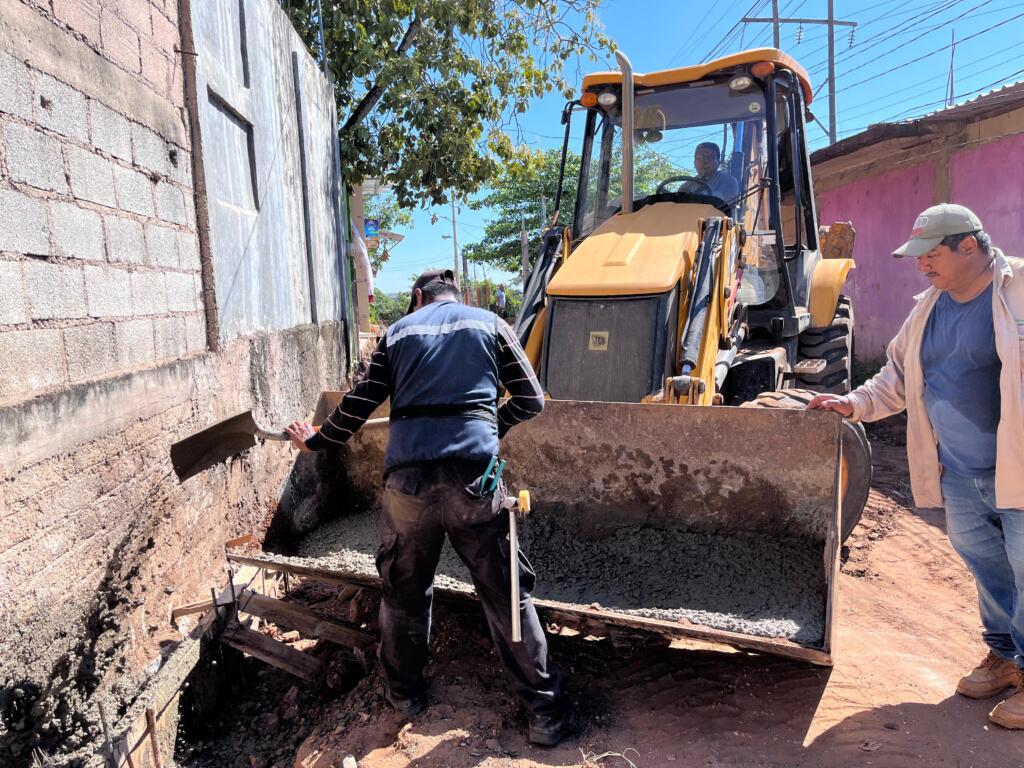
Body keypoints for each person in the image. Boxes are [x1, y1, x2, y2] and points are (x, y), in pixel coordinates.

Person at [285, 268, 575, 746]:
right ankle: (546, 713)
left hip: (408, 487)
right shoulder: (491, 324)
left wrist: (316, 441)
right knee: (507, 595)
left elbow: (358, 407)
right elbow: (532, 401)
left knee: (403, 592)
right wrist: (488, 425)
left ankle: (404, 695)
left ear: (417, 297)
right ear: (455, 296)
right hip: (474, 484)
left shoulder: (398, 334)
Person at [807, 204, 1024, 730]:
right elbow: (896, 376)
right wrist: (851, 403)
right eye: (919, 259)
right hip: (959, 470)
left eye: (931, 256)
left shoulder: (1017, 292)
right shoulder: (929, 307)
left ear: (967, 247)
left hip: (1017, 467)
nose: (921, 267)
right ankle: (1004, 657)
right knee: (988, 568)